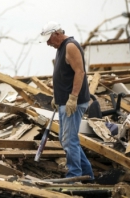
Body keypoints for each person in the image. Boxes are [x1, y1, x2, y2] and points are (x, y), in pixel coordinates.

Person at [40, 21, 94, 180]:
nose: (48, 44)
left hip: (73, 103)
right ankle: (87, 174)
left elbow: (80, 72)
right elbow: (63, 75)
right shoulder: (60, 48)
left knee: (70, 141)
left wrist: (73, 97)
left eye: (49, 39)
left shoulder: (70, 46)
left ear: (57, 33)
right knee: (67, 141)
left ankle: (75, 175)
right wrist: (57, 96)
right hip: (64, 101)